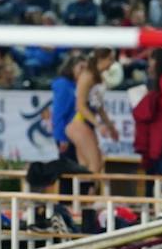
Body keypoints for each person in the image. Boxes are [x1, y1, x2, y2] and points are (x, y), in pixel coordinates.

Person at [65, 49, 120, 186]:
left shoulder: (98, 77)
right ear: (101, 59)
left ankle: (81, 200)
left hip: (85, 124)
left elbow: (99, 107)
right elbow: (80, 106)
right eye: (110, 60)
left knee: (86, 165)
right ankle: (85, 199)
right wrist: (98, 124)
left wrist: (110, 127)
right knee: (95, 164)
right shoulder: (87, 76)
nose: (112, 64)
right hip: (79, 123)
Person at [51, 54, 86, 163]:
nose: (84, 71)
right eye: (81, 67)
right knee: (68, 171)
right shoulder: (64, 85)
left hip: (76, 133)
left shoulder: (78, 85)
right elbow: (58, 114)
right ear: (71, 67)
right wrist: (62, 138)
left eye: (86, 69)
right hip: (66, 135)